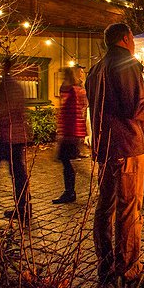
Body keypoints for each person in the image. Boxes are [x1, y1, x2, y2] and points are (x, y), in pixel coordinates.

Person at [85, 23, 144, 288]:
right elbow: (135, 108)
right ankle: (130, 268)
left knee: (105, 206)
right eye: (133, 38)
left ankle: (106, 261)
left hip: (107, 147)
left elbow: (120, 102)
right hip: (127, 147)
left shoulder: (97, 68)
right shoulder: (126, 63)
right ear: (126, 39)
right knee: (129, 208)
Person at [0, 57, 30, 226]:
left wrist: (0, 123)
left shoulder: (6, 86)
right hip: (15, 134)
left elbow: (4, 110)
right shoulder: (15, 85)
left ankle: (22, 208)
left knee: (15, 171)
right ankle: (23, 207)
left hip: (8, 134)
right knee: (18, 172)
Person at [53, 66, 88, 204]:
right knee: (67, 162)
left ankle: (70, 192)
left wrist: (64, 132)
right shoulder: (77, 90)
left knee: (66, 161)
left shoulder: (72, 91)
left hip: (70, 132)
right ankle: (69, 191)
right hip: (72, 132)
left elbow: (70, 114)